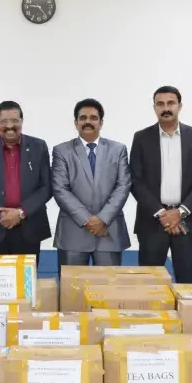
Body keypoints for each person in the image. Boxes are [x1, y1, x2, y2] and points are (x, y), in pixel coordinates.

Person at [130, 86, 192, 284]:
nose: (166, 108)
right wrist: (162, 214)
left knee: (186, 283)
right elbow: (136, 181)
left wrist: (179, 212)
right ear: (154, 108)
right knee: (150, 284)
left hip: (188, 223)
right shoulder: (141, 138)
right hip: (152, 222)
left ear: (179, 106)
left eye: (171, 103)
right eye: (160, 104)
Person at [51, 98, 132, 267]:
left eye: (93, 118)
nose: (88, 121)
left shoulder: (118, 150)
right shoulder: (62, 151)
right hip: (73, 233)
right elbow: (60, 189)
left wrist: (103, 219)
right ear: (76, 122)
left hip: (108, 231)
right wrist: (87, 220)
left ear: (101, 123)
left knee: (108, 284)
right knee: (72, 284)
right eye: (83, 118)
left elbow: (123, 186)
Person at [0, 100, 52, 260]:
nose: (10, 126)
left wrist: (21, 212)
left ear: (22, 122)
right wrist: (0, 213)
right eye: (4, 121)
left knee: (25, 276)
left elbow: (46, 188)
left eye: (15, 120)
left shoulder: (38, 146)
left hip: (29, 228)